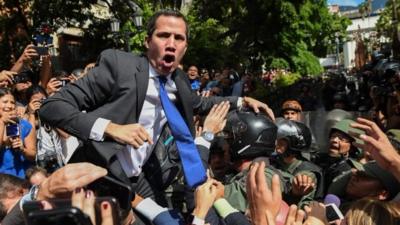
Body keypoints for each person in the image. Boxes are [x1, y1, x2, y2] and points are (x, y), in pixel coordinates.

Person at [38, 7, 272, 211]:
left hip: (141, 180)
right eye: (163, 35)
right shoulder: (120, 66)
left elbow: (199, 103)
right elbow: (52, 106)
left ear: (185, 47)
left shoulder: (178, 79)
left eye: (178, 38)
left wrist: (242, 101)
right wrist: (110, 128)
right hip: (97, 175)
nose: (171, 43)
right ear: (148, 42)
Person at [271, 118, 324, 207]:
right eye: (277, 140)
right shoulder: (275, 161)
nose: (276, 144)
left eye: (282, 142)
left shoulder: (307, 172)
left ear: (294, 144)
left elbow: (302, 206)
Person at [0, 88, 36, 178]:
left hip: (18, 177)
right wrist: (2, 122)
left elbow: (33, 155)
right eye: (5, 102)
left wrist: (23, 149)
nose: (10, 105)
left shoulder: (24, 125)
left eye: (12, 102)